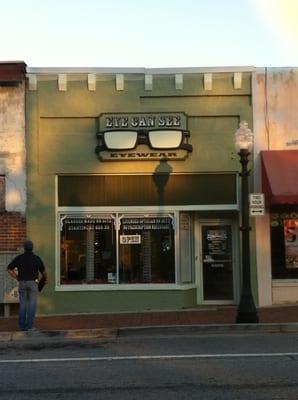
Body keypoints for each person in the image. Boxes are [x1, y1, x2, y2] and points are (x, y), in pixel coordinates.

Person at [7, 240, 47, 331]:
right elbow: (44, 273)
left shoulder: (19, 258)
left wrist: (17, 277)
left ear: (24, 248)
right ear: (32, 248)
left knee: (23, 304)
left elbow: (9, 269)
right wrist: (44, 280)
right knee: (32, 305)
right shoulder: (36, 258)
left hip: (22, 283)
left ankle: (22, 327)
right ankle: (29, 326)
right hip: (33, 283)